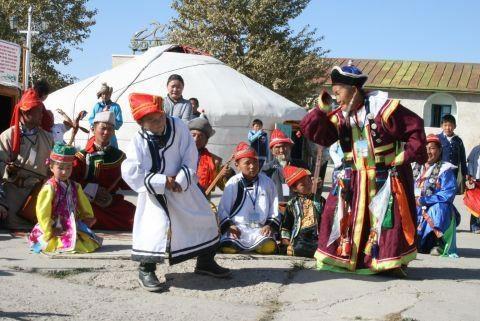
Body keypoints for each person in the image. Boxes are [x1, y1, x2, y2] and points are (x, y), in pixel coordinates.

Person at [300, 63, 427, 275]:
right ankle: (343, 259)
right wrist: (321, 110)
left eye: (338, 90)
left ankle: (387, 263)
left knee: (387, 220)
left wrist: (404, 156)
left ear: (354, 89)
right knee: (339, 214)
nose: (335, 95)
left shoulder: (384, 110)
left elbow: (416, 128)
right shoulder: (340, 116)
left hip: (384, 176)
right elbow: (316, 133)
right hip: (353, 177)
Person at [121, 93, 230, 292]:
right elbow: (130, 170)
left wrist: (180, 179)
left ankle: (205, 261)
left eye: (160, 117)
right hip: (154, 192)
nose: (159, 122)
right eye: (152, 120)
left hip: (182, 186)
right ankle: (146, 269)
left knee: (204, 217)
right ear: (141, 123)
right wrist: (163, 181)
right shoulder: (138, 140)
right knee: (153, 229)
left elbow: (190, 154)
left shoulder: (179, 126)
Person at [28, 142, 102, 253]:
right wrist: (49, 229)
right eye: (60, 168)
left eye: (68, 168)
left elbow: (84, 204)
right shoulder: (50, 187)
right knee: (57, 242)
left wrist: (87, 217)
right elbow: (42, 211)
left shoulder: (75, 186)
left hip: (71, 224)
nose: (64, 172)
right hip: (54, 224)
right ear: (51, 167)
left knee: (85, 241)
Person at [0, 89, 54, 228]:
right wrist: (8, 170)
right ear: (26, 112)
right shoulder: (8, 136)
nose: (42, 114)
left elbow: (54, 166)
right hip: (14, 198)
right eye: (38, 111)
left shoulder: (47, 137)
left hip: (38, 197)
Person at [72, 111, 135, 231]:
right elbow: (72, 182)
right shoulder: (81, 157)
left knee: (136, 218)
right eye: (103, 128)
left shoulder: (119, 156)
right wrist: (94, 192)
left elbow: (127, 182)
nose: (106, 132)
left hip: (111, 203)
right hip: (87, 204)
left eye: (110, 129)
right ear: (93, 128)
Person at [218, 142, 280, 254]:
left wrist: (269, 226)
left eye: (255, 162)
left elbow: (274, 208)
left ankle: (260, 245)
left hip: (260, 229)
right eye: (247, 163)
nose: (252, 166)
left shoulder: (267, 182)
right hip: (237, 229)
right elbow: (223, 209)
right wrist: (230, 226)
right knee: (228, 248)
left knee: (268, 247)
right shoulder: (233, 183)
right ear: (237, 165)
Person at [413, 134, 458, 257]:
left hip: (432, 207)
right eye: (425, 147)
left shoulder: (445, 169)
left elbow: (447, 194)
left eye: (432, 148)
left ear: (439, 150)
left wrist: (423, 200)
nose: (428, 151)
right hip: (414, 207)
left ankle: (437, 243)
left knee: (439, 207)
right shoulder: (414, 167)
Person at [280, 165, 325, 258]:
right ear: (294, 188)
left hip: (317, 234)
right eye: (303, 185)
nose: (308, 185)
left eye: (309, 181)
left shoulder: (320, 200)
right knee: (298, 248)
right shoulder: (292, 204)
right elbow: (286, 225)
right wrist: (285, 241)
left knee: (324, 246)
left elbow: (327, 219)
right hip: (301, 236)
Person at [262, 128, 308, 204]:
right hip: (275, 210)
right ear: (272, 151)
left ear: (290, 147)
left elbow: (310, 188)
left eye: (285, 146)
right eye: (277, 147)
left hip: (298, 207)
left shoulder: (301, 166)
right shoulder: (266, 170)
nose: (281, 150)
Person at [188, 117, 231, 196]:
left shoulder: (215, 161)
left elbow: (223, 186)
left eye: (200, 136)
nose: (196, 139)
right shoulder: (178, 154)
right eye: (193, 135)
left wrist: (225, 175)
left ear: (206, 141)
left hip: (202, 202)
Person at [88, 83, 123, 148]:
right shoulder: (97, 106)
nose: (104, 96)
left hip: (110, 136)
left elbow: (119, 122)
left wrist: (109, 120)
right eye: (103, 94)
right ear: (101, 95)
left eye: (107, 94)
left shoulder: (115, 107)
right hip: (98, 136)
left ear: (110, 95)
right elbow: (91, 119)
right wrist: (97, 123)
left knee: (112, 155)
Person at [437, 114, 467, 191]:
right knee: (439, 190)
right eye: (445, 125)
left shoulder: (458, 141)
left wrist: (465, 173)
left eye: (450, 125)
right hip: (439, 171)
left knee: (450, 192)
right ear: (441, 126)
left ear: (455, 126)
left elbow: (463, 158)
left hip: (453, 172)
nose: (447, 128)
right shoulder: (437, 138)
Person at [464, 143, 480, 233]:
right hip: (476, 181)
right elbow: (470, 162)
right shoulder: (476, 149)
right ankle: (474, 226)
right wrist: (470, 175)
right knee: (476, 204)